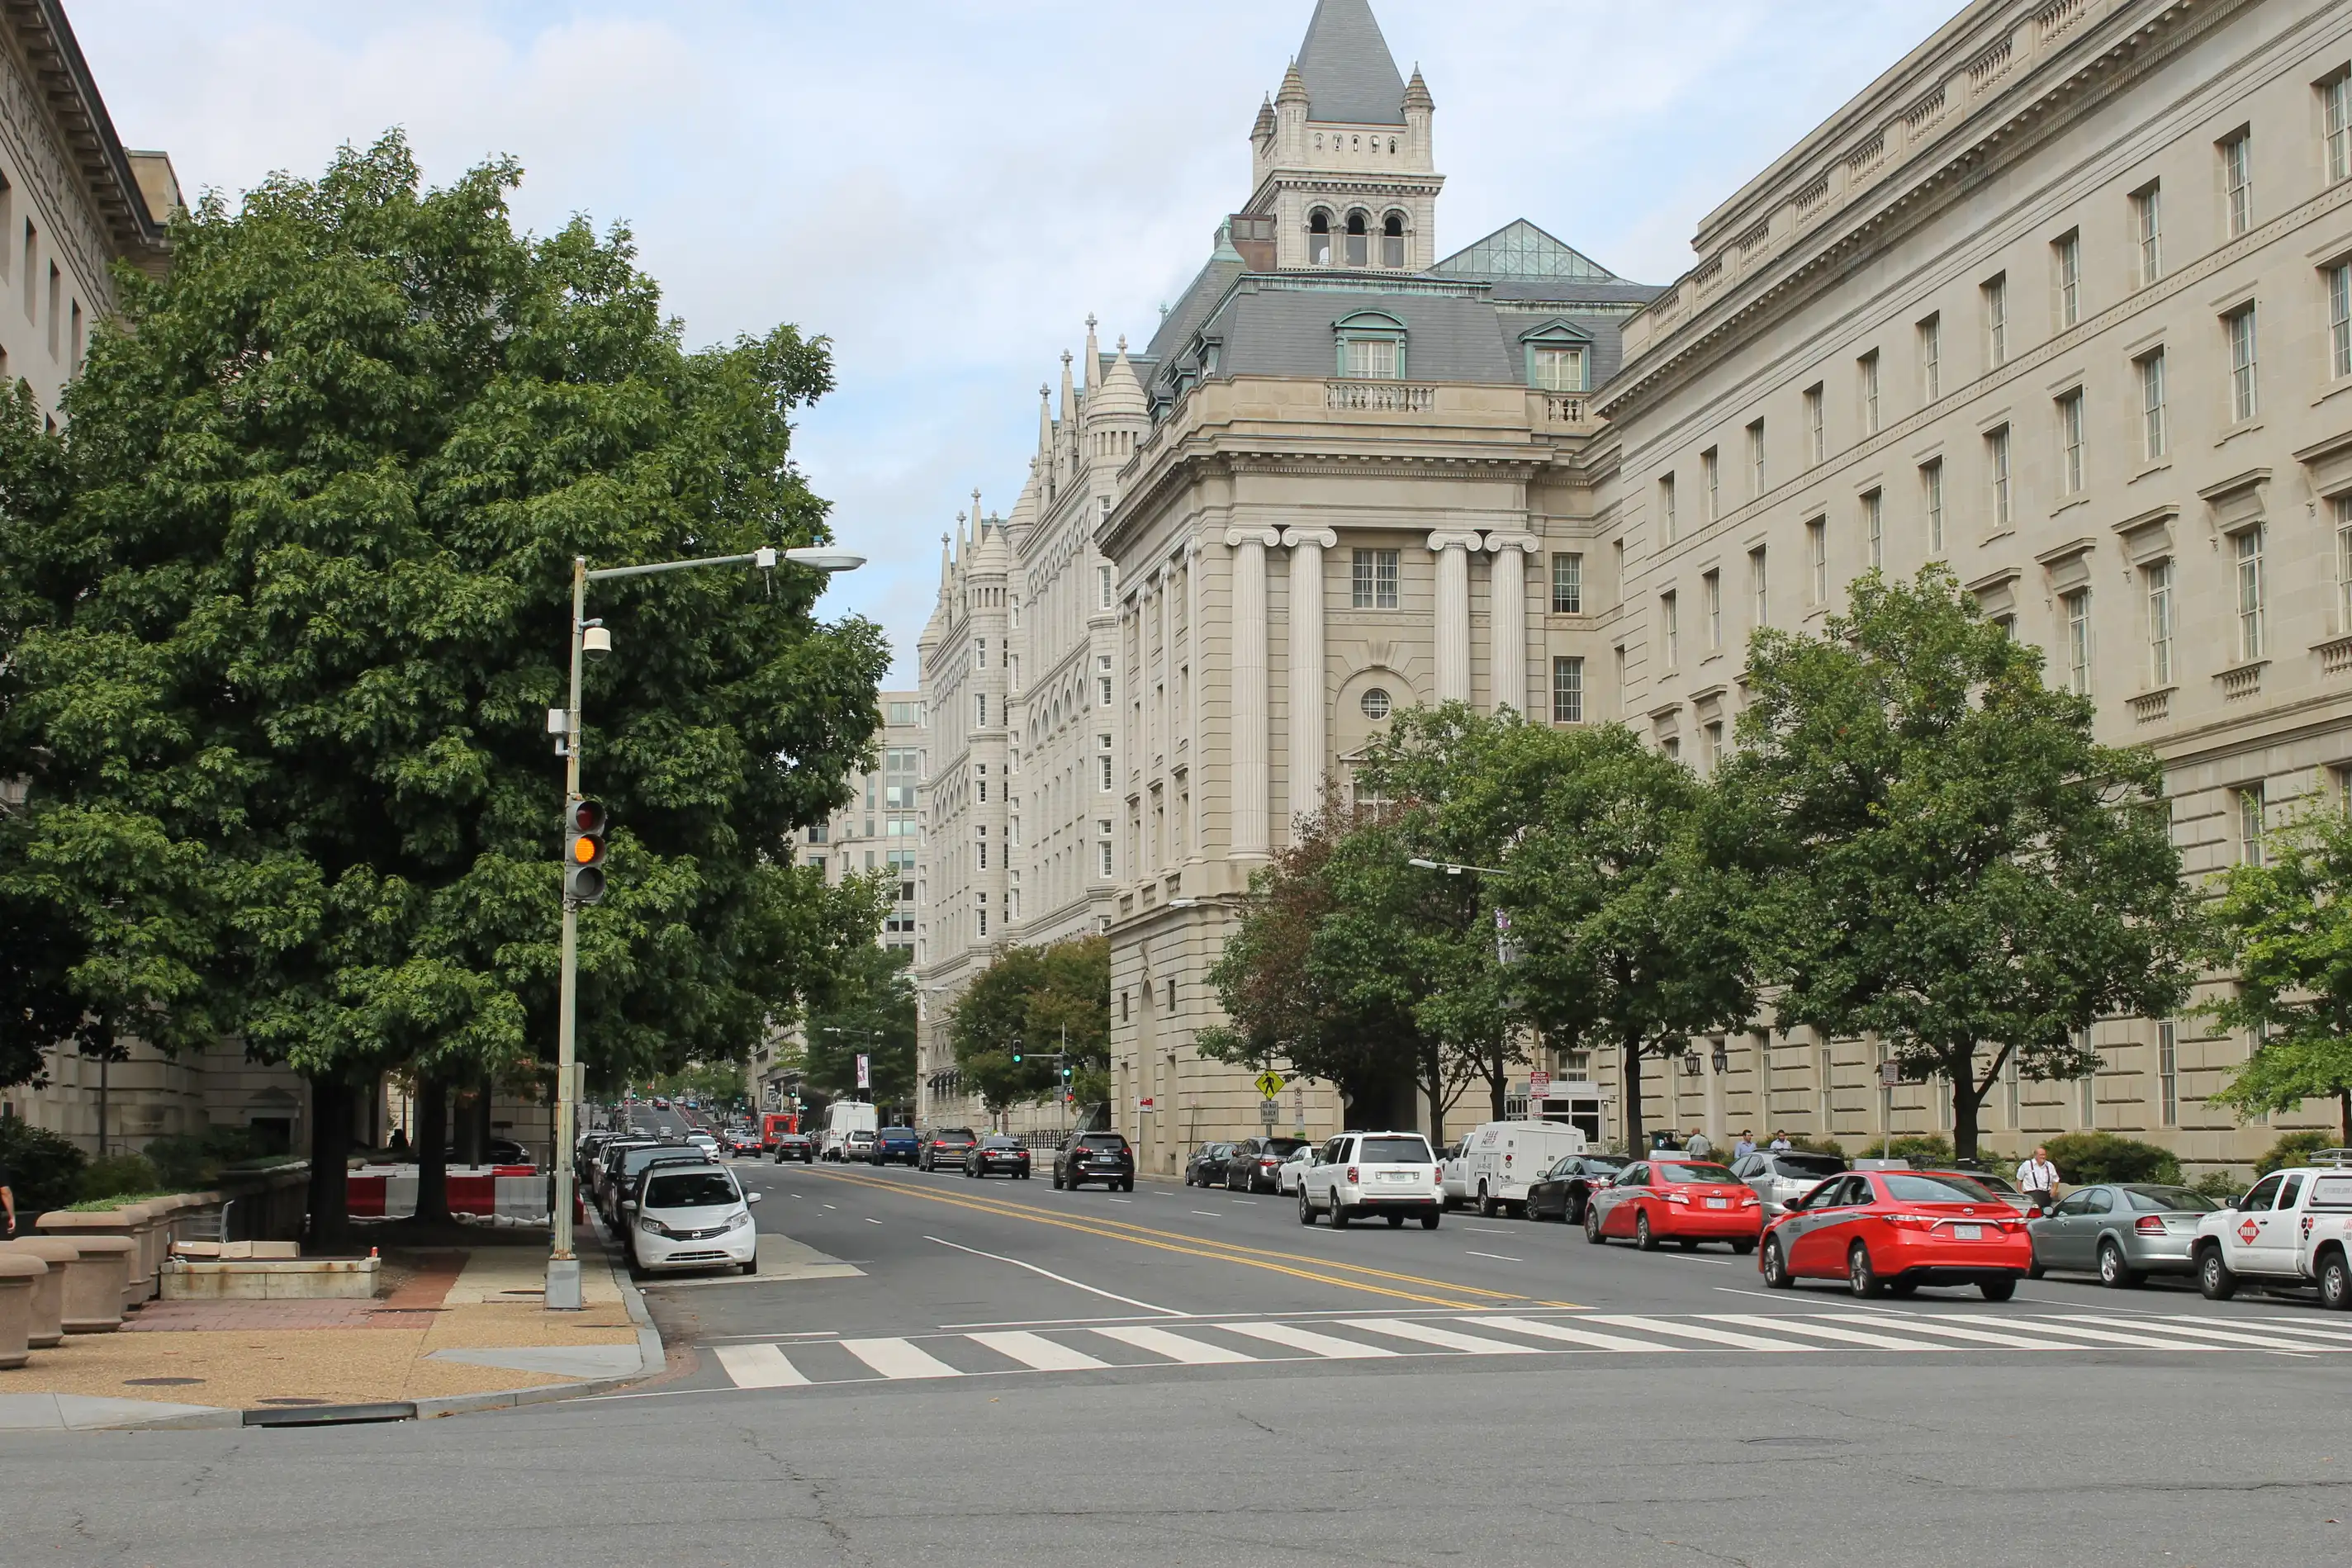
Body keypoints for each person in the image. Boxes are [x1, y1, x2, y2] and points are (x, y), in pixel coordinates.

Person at [2016, 1145, 2060, 1212]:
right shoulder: (2027, 1165)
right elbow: (2019, 1178)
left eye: (2044, 1155)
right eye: (2041, 1155)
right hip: (2032, 1194)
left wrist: (2054, 1189)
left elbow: (2056, 1179)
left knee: (2046, 1214)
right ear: (2035, 1155)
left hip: (2046, 1194)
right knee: (2035, 1214)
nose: (2043, 1157)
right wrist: (2020, 1191)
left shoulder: (2049, 1165)